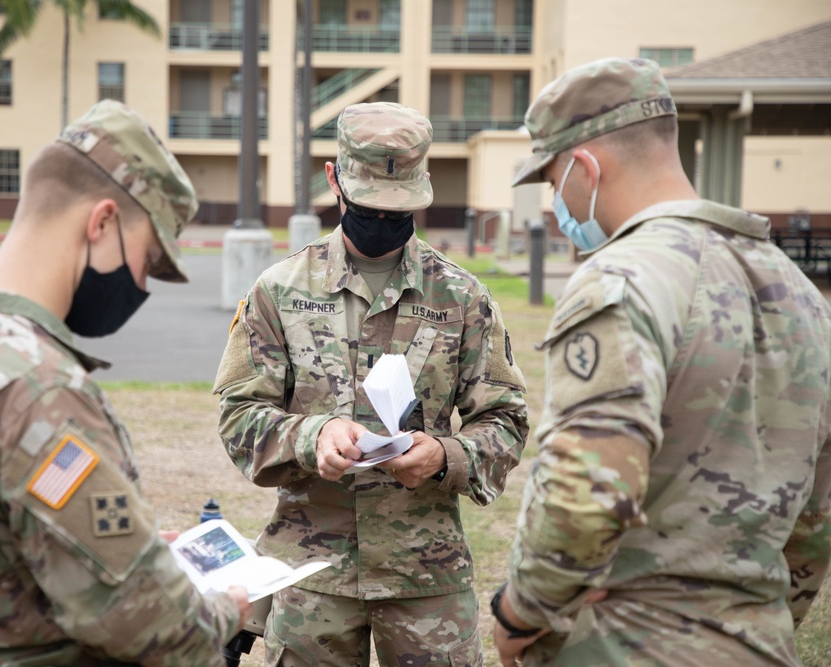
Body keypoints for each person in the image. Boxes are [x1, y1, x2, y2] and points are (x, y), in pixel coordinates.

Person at [0, 100, 251, 666]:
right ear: (103, 222)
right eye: (146, 261)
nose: (141, 284)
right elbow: (154, 628)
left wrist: (133, 553)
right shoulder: (41, 392)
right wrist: (223, 607)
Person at [491, 57, 831, 666]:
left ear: (585, 167)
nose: (556, 203)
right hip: (760, 642)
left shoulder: (621, 277)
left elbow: (589, 487)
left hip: (625, 642)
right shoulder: (801, 292)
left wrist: (520, 613)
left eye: (551, 181)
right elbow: (817, 511)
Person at [213, 101, 530, 666]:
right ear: (334, 179)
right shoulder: (279, 290)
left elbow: (505, 419)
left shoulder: (462, 297)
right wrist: (314, 435)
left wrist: (445, 455)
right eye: (368, 207)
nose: (382, 221)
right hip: (313, 579)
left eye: (398, 210)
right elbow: (240, 415)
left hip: (426, 578)